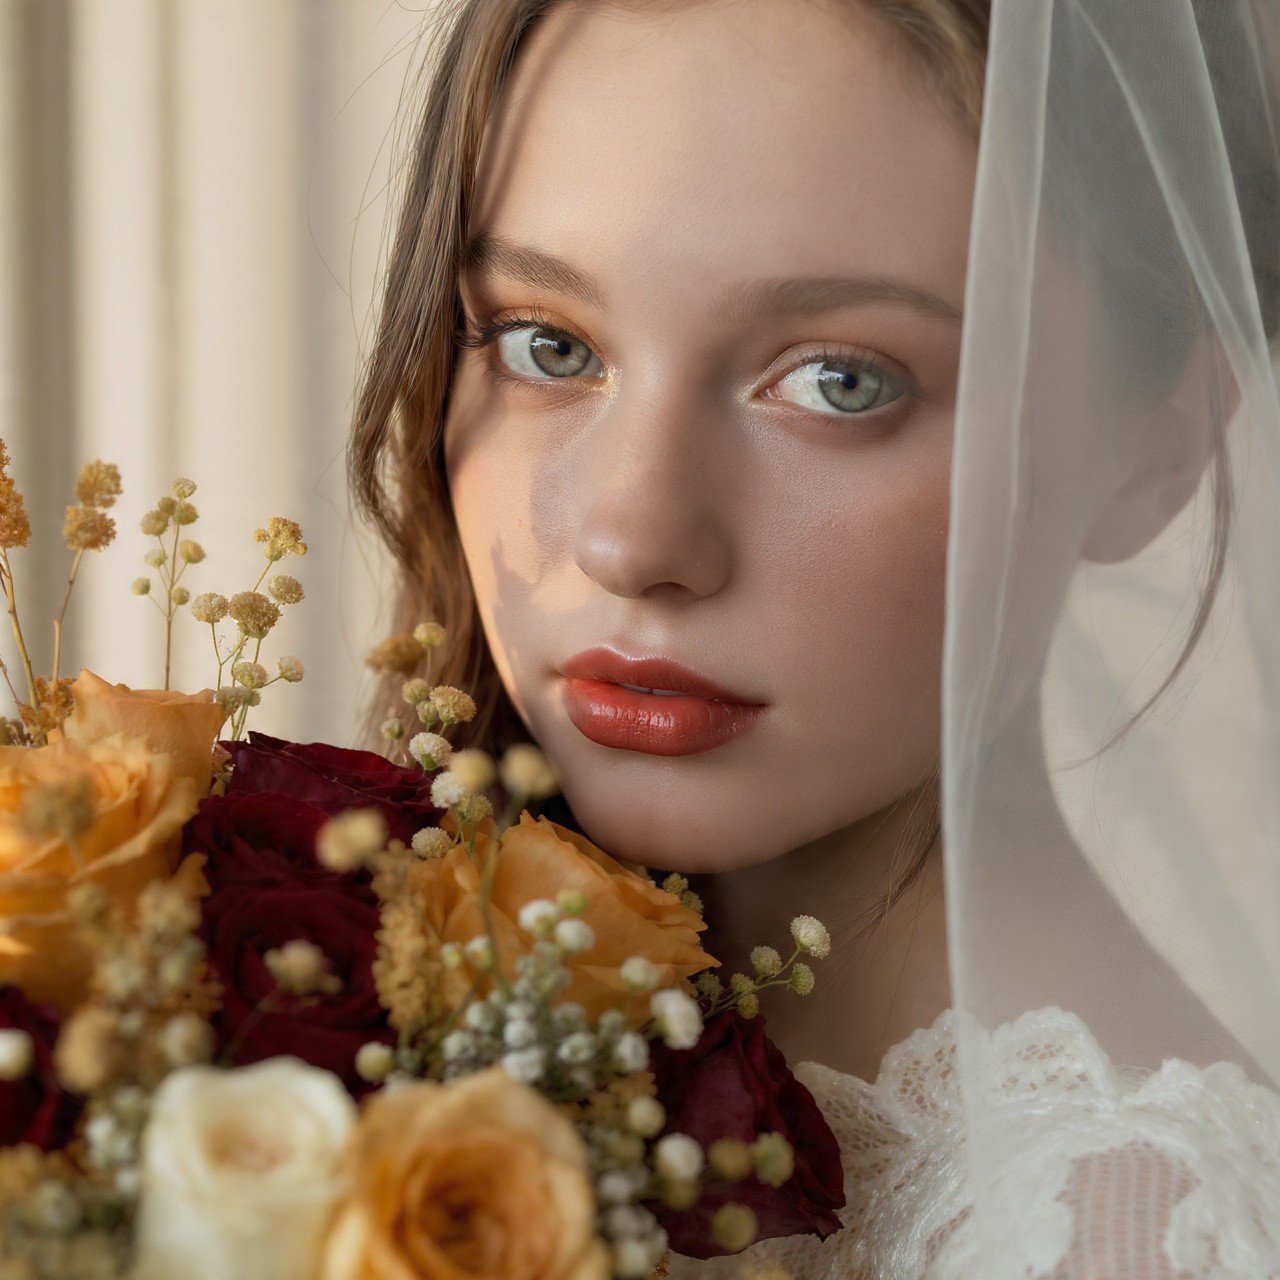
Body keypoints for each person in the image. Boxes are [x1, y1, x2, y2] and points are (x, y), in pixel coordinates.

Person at [350, 0, 1280, 1274]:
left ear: (1156, 443)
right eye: (547, 344)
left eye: (840, 380)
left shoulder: (1121, 1236)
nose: (632, 537)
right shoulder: (337, 1037)